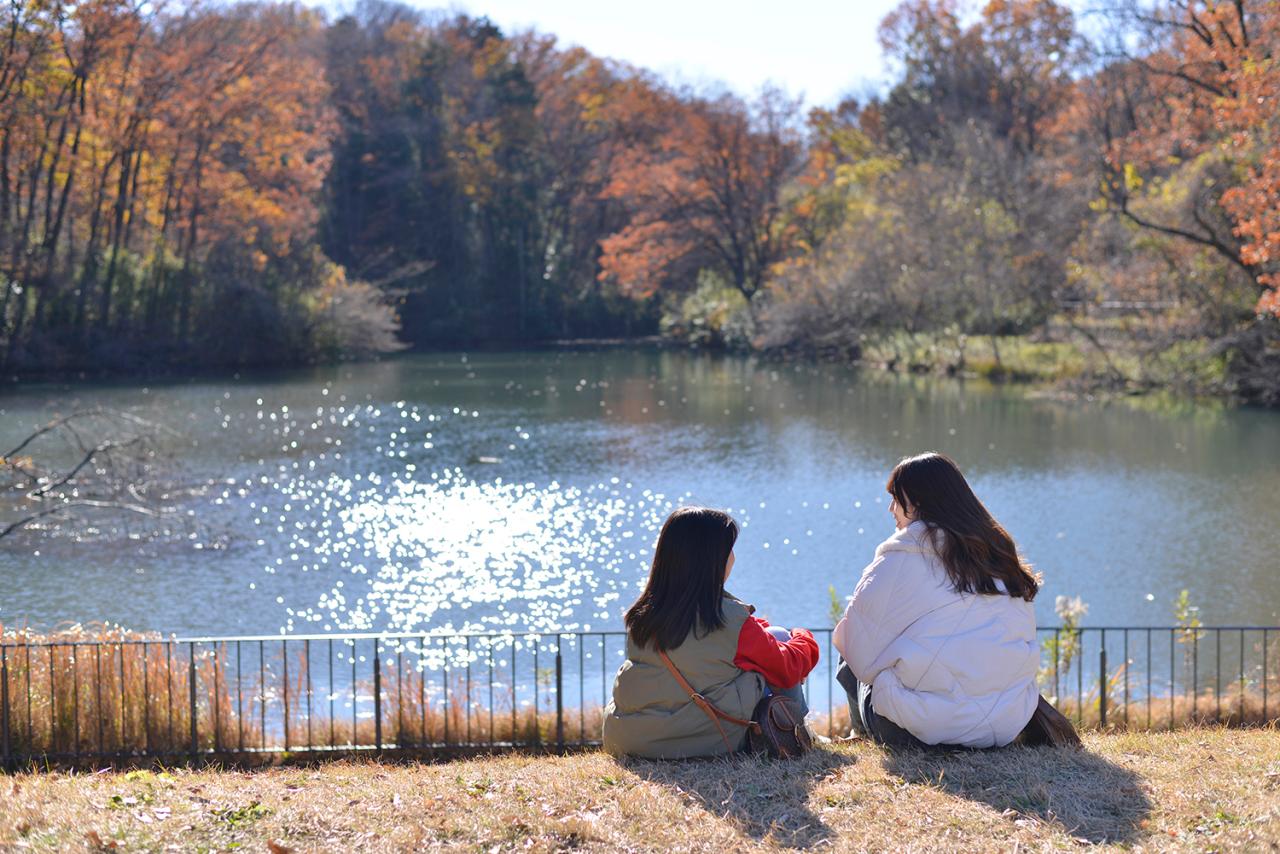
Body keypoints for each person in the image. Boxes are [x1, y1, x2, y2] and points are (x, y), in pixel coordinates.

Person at [833, 452, 1040, 749]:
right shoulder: (997, 556)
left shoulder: (901, 556)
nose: (891, 509)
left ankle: (863, 736)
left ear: (916, 502)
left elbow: (856, 649)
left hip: (920, 733)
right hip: (1005, 724)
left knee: (853, 636)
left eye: (896, 499)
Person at [602, 506, 820, 758]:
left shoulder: (644, 613)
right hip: (701, 739)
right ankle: (797, 732)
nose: (733, 558)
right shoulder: (727, 619)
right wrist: (802, 636)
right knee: (780, 637)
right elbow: (788, 667)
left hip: (628, 738)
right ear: (712, 558)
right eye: (729, 550)